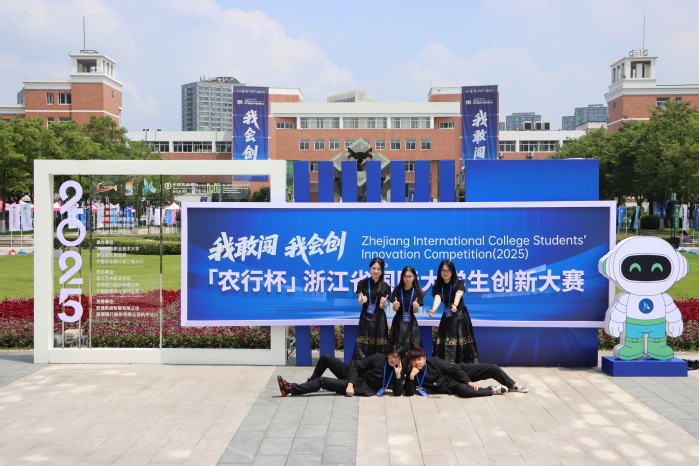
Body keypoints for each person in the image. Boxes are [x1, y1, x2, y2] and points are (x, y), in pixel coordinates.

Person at [277, 345, 407, 397]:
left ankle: (290, 389)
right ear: (388, 354)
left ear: (400, 359)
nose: (393, 359)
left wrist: (398, 376)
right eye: (392, 356)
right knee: (326, 358)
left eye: (397, 358)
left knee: (323, 381)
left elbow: (397, 393)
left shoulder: (397, 371)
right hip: (353, 378)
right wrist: (350, 383)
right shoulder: (378, 358)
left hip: (360, 387)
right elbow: (356, 368)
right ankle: (309, 383)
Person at [403, 347, 528, 398]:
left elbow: (454, 369)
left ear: (424, 358)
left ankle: (512, 384)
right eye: (413, 360)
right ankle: (492, 390)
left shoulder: (434, 362)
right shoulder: (413, 374)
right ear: (410, 362)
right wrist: (412, 376)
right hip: (453, 385)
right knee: (466, 392)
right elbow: (409, 393)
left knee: (492, 368)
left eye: (419, 359)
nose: (417, 363)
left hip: (460, 372)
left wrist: (468, 381)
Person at [429, 259, 479, 363]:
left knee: (460, 339)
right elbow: (438, 297)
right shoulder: (438, 285)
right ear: (440, 272)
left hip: (460, 315)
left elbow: (458, 294)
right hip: (447, 316)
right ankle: (446, 365)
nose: (445, 273)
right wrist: (433, 309)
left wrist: (455, 305)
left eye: (448, 270)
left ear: (452, 271)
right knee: (446, 339)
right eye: (443, 270)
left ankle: (462, 365)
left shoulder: (459, 282)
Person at [351, 257, 391, 362]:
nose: (376, 271)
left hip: (379, 318)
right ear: (370, 268)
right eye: (373, 268)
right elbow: (360, 301)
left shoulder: (385, 286)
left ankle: (378, 367)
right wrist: (361, 301)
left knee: (379, 344)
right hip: (366, 316)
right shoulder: (362, 283)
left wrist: (383, 304)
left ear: (382, 271)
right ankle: (361, 368)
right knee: (363, 344)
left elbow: (382, 306)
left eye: (379, 269)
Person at [389, 266, 424, 349]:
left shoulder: (417, 292)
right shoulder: (397, 290)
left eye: (410, 276)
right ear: (402, 277)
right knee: (397, 345)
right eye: (405, 276)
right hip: (398, 320)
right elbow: (395, 309)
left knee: (413, 345)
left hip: (411, 321)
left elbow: (415, 311)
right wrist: (395, 306)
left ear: (414, 277)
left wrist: (416, 307)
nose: (407, 279)